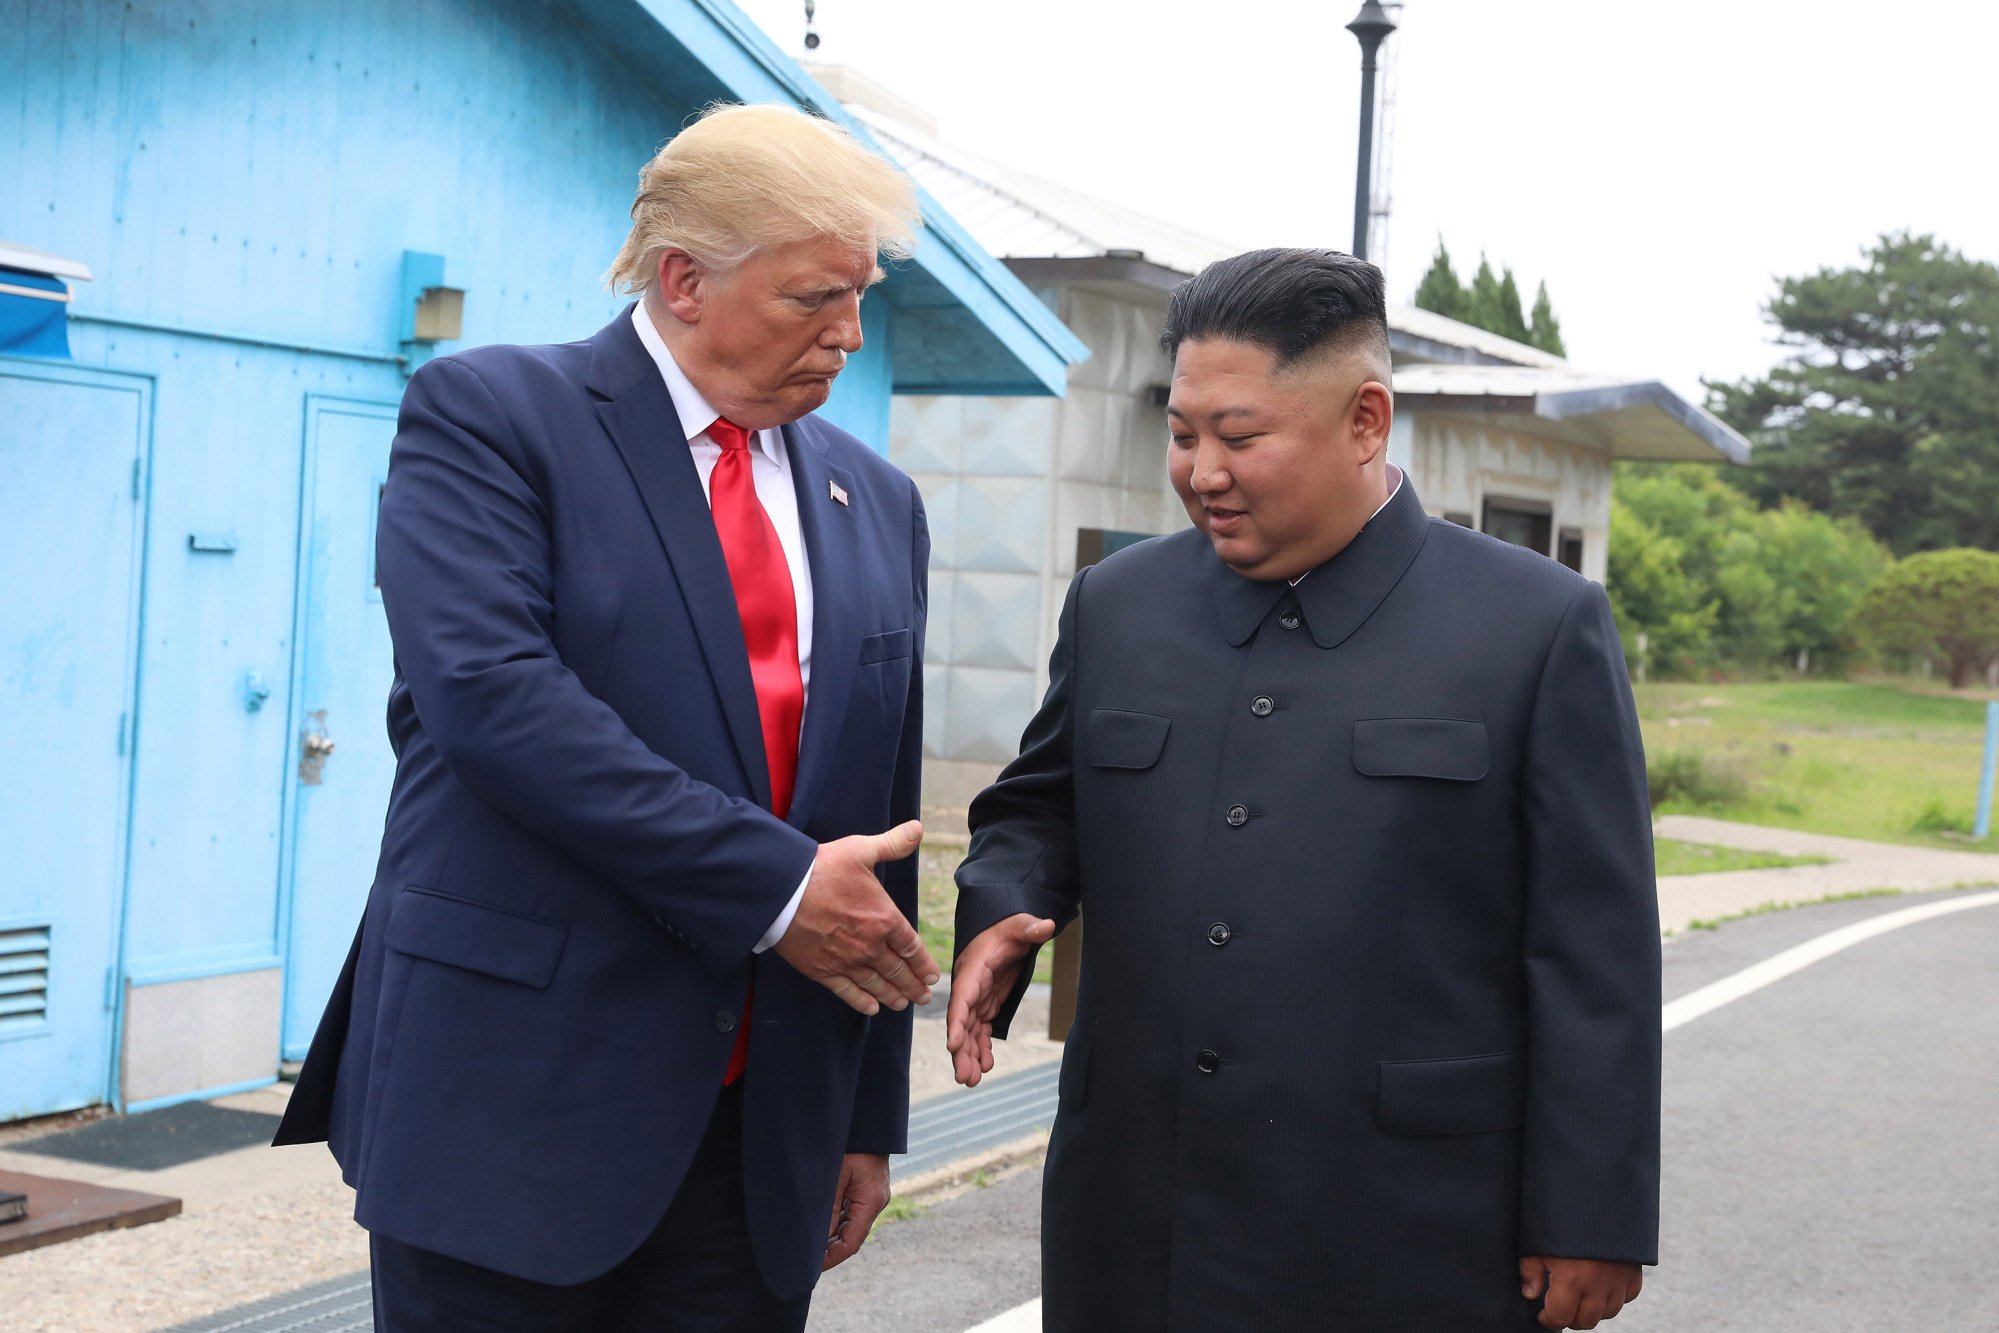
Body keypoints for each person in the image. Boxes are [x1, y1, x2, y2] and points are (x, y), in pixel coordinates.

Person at [274, 103, 942, 1331]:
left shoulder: (877, 500)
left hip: (759, 1141)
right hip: (512, 1109)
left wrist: (861, 1119)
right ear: (684, 280)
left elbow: (874, 827)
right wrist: (780, 889)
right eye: (813, 298)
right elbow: (495, 704)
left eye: (861, 296)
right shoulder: (495, 420)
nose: (849, 334)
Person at [948, 248, 1660, 1331]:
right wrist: (1003, 902)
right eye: (1182, 433)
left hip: (1408, 1228)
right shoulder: (1118, 606)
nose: (1201, 470)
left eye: (1239, 436)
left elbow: (1592, 943)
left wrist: (1592, 1211)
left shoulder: (1533, 625)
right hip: (1140, 1217)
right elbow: (1037, 807)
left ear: (1365, 420)